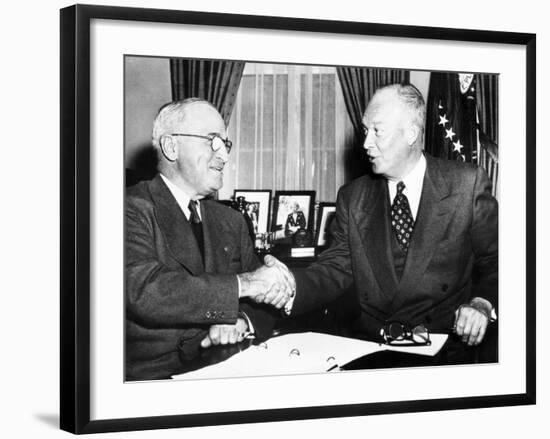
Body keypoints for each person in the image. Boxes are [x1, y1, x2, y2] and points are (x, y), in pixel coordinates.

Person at [269, 83, 498, 364]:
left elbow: (497, 262)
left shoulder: (466, 184)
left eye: (377, 131)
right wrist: (289, 284)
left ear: (411, 133)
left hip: (445, 355)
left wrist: (482, 303)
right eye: (365, 131)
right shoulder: (353, 198)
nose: (366, 143)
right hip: (373, 353)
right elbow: (333, 269)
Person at [125, 98, 291, 381]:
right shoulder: (127, 209)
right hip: (151, 378)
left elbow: (264, 304)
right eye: (212, 141)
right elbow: (146, 291)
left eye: (225, 145)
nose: (224, 156)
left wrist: (241, 320)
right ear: (171, 147)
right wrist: (248, 284)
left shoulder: (231, 221)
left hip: (225, 368)